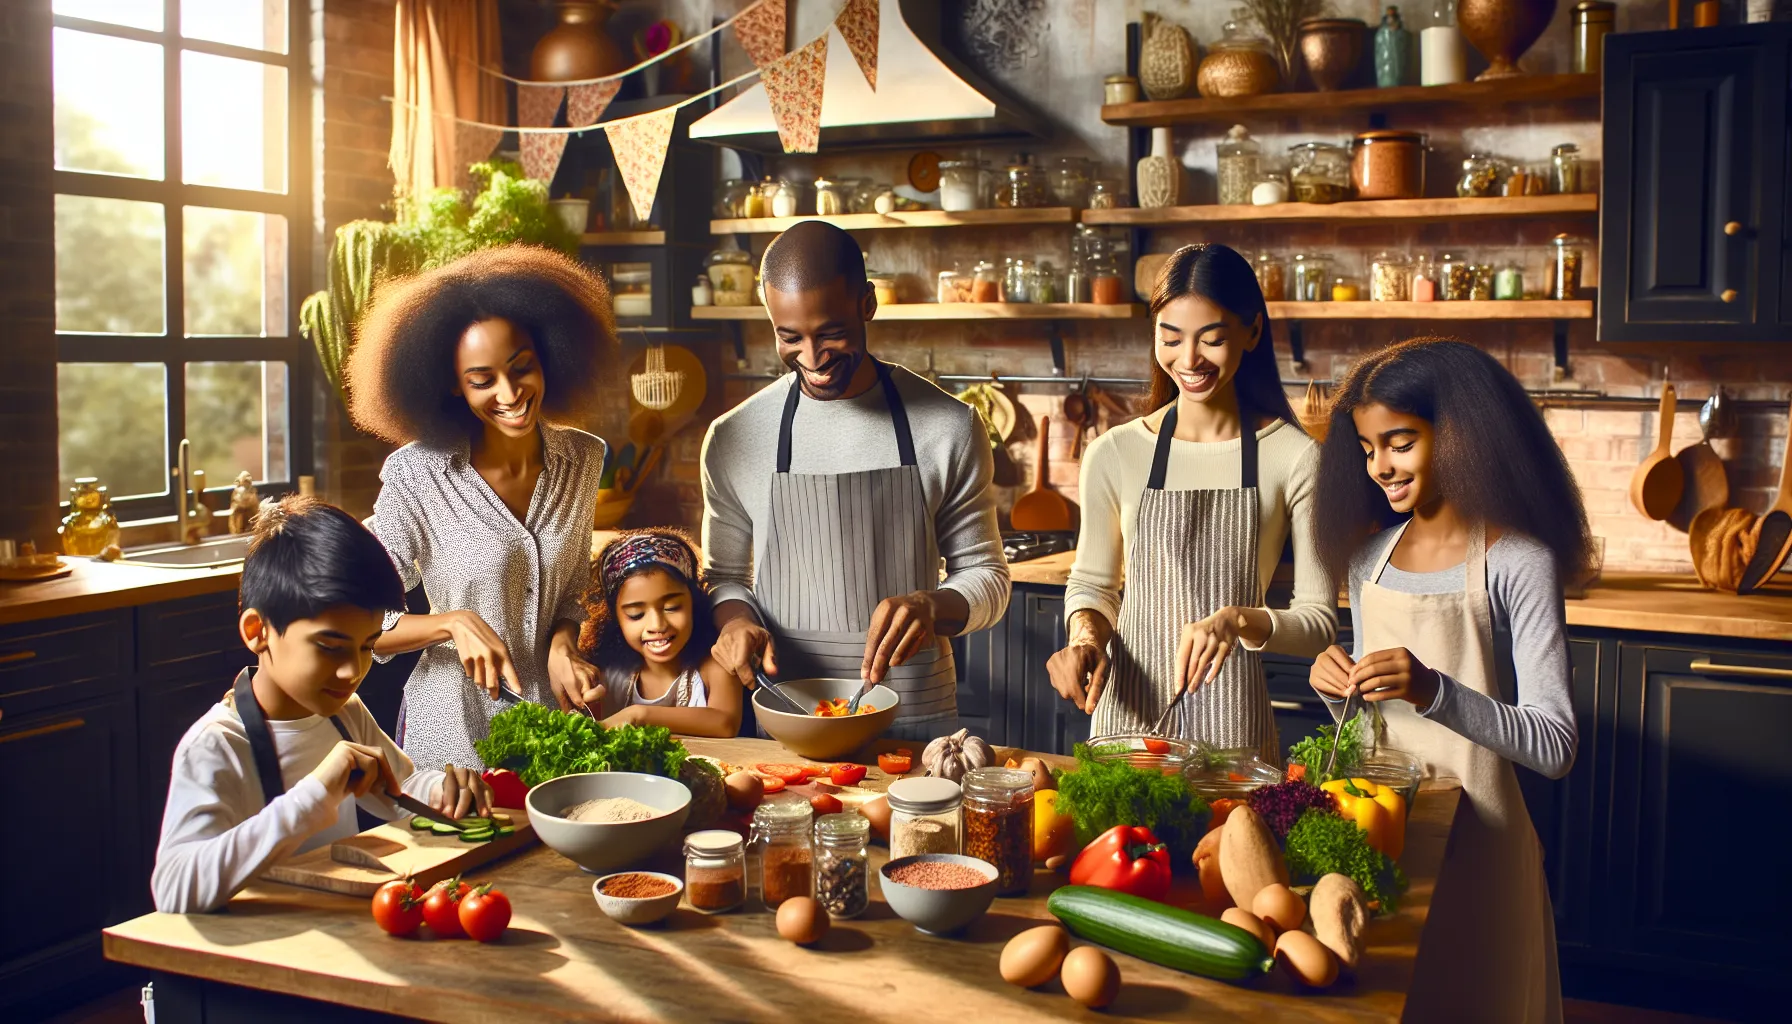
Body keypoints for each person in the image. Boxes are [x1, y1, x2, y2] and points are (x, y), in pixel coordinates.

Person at [1308, 337, 1586, 1023]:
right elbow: (1376, 721)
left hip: (1482, 848)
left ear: (1461, 433)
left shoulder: (1518, 560)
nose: (1379, 466)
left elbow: (1555, 745)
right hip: (1386, 835)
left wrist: (1435, 690)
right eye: (1367, 449)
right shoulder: (1368, 559)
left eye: (1399, 443)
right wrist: (1337, 686)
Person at [700, 221, 1010, 740]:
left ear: (867, 303)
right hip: (789, 716)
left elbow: (988, 577)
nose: (812, 358)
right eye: (789, 337)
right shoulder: (735, 436)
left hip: (915, 717)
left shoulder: (948, 426)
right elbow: (722, 577)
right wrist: (734, 623)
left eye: (831, 333)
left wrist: (932, 605)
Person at [1047, 243, 1336, 757]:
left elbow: (1318, 623)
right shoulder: (1115, 452)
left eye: (1212, 339)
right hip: (1128, 722)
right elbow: (1093, 585)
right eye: (1170, 338)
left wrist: (1237, 620)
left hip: (1233, 733)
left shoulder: (1294, 457)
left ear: (1252, 332)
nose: (1188, 360)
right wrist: (1085, 640)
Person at [151, 497, 493, 914]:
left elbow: (399, 787)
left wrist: (443, 791)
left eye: (367, 646)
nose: (353, 671)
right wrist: (315, 794)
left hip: (334, 932)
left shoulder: (345, 713)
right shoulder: (216, 745)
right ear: (258, 631)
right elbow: (173, 890)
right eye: (330, 647)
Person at [347, 245, 615, 772]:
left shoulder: (583, 458)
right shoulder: (416, 474)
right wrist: (451, 624)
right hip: (452, 733)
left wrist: (564, 645)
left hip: (552, 723)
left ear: (548, 356)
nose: (510, 393)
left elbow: (569, 592)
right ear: (453, 384)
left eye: (522, 368)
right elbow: (361, 618)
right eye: (482, 380)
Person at [576, 529, 741, 737]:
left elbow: (725, 723)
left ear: (694, 601)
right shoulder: (607, 670)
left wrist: (640, 715)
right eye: (636, 615)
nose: (657, 625)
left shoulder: (716, 660)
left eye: (672, 607)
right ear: (614, 618)